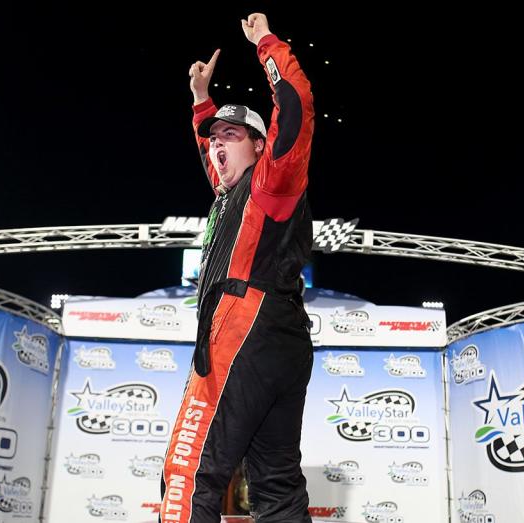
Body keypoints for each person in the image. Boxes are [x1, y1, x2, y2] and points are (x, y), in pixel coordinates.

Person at [159, 12, 315, 523]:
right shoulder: (232, 192)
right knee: (275, 485)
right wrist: (200, 99)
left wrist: (266, 42)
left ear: (260, 145)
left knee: (190, 469)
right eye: (214, 137)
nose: (218, 145)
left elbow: (293, 106)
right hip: (282, 338)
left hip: (245, 325)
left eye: (231, 136)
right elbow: (212, 155)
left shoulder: (270, 182)